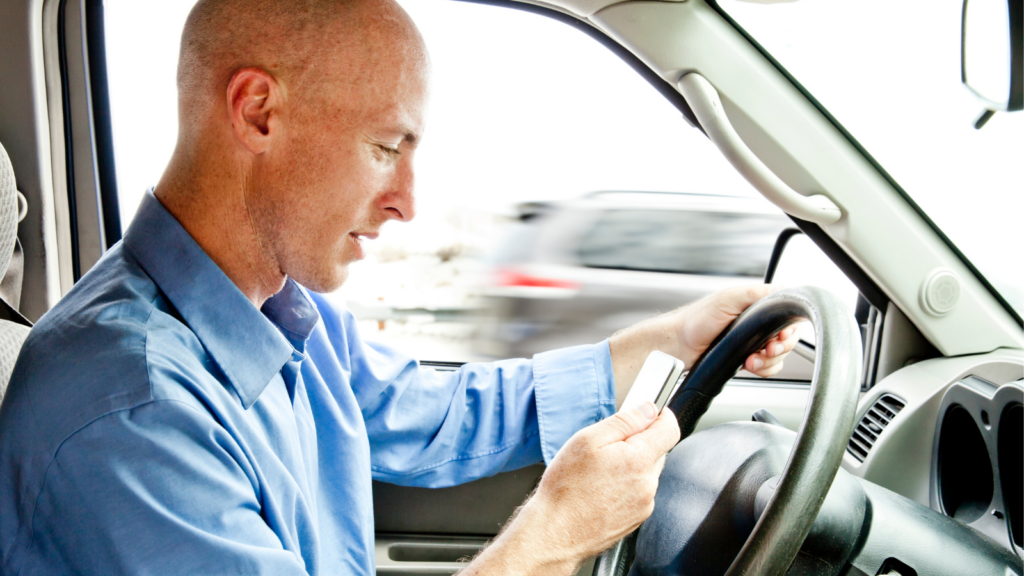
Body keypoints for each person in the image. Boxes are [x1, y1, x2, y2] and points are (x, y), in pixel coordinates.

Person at [0, 0, 798, 574]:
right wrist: (551, 533)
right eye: (386, 146)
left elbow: (438, 415)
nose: (407, 202)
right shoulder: (128, 411)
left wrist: (664, 341)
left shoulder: (283, 314)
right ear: (258, 112)